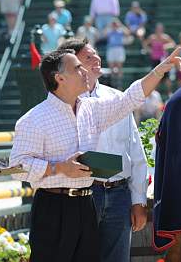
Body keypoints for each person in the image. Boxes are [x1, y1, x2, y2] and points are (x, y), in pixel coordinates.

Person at [9, 47, 181, 262]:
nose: (84, 71)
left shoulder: (91, 109)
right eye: (77, 68)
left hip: (86, 204)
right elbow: (17, 167)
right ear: (60, 78)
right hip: (53, 207)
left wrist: (159, 71)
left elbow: (129, 99)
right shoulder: (33, 119)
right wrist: (58, 168)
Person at [58, 37, 149, 262]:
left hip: (119, 196)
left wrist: (139, 201)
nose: (96, 59)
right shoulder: (61, 104)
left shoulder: (118, 99)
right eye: (87, 57)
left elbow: (136, 153)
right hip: (81, 195)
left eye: (95, 54)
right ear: (71, 65)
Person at [142, 23, 175, 95]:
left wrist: (166, 46)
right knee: (155, 76)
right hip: (155, 60)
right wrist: (149, 50)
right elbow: (144, 44)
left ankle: (169, 92)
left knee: (167, 77)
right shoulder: (152, 37)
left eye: (160, 29)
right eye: (158, 29)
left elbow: (173, 44)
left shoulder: (165, 37)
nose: (159, 30)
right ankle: (155, 93)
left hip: (163, 60)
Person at [103, 19, 131, 88]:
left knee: (119, 67)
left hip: (119, 49)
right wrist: (109, 25)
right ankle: (112, 84)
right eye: (113, 24)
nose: (114, 25)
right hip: (111, 49)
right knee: (111, 67)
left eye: (115, 24)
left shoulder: (120, 31)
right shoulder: (109, 32)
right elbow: (104, 34)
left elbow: (128, 33)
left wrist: (120, 25)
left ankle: (119, 84)